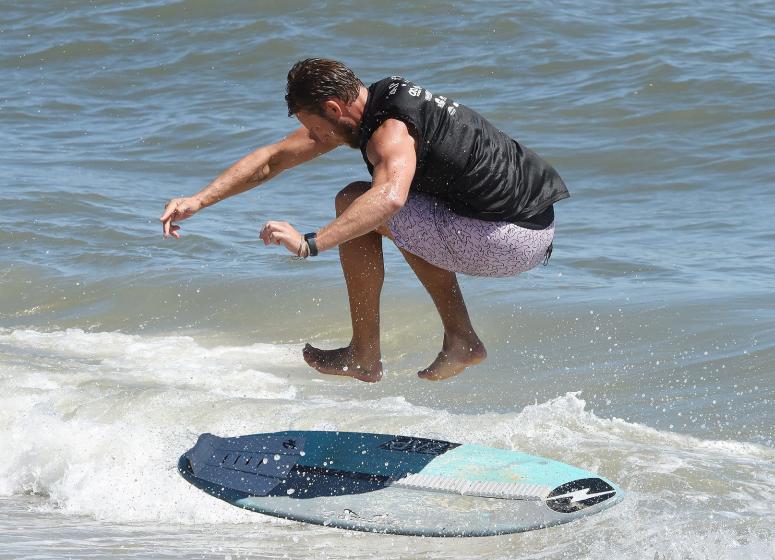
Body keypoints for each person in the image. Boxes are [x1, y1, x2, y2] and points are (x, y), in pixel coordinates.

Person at [160, 59, 569, 382]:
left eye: (315, 128)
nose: (316, 138)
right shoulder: (379, 99)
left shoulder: (389, 130)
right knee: (395, 210)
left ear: (335, 109)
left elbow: (389, 199)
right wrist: (200, 200)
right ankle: (451, 339)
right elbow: (274, 159)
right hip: (526, 224)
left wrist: (310, 243)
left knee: (357, 201)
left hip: (507, 239)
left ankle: (370, 354)